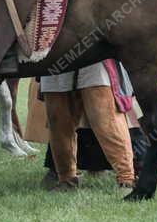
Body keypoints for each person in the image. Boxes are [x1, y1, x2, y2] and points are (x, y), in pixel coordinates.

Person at [39, 60, 137, 190]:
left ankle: (126, 179)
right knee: (58, 122)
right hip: (54, 61)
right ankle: (66, 179)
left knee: (106, 120)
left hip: (95, 58)